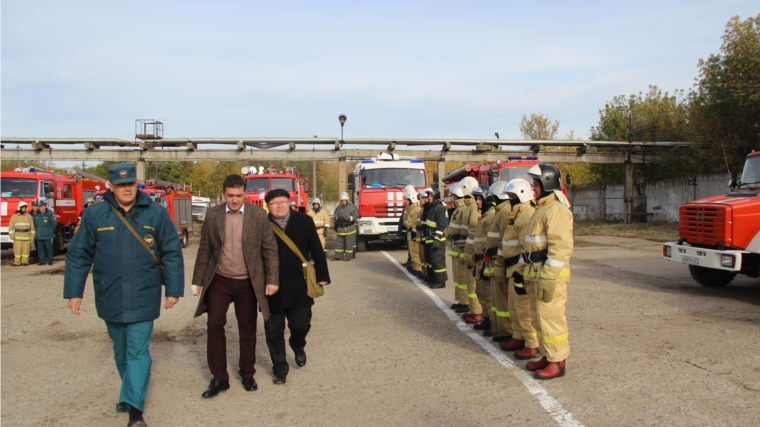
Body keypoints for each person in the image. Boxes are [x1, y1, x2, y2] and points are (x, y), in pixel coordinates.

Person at [64, 163, 184, 427]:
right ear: (111, 186)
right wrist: (75, 292)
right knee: (120, 350)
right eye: (121, 184)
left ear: (136, 184)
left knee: (138, 350)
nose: (126, 188)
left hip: (144, 294)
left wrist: (173, 290)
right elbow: (78, 255)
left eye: (130, 183)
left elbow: (171, 252)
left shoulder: (156, 214)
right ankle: (128, 393)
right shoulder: (96, 215)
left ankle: (135, 410)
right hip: (110, 294)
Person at [191, 174, 279, 397]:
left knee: (247, 328)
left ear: (245, 194)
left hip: (248, 281)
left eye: (239, 195)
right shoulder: (213, 215)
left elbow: (270, 250)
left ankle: (247, 373)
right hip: (219, 280)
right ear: (224, 194)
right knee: (214, 325)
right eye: (230, 195)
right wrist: (197, 280)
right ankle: (219, 378)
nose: (234, 200)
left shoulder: (258, 216)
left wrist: (271, 280)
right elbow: (205, 250)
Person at [264, 189, 331, 384]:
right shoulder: (262, 224)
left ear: (289, 202)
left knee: (301, 324)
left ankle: (297, 345)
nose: (279, 206)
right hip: (271, 286)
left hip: (298, 284)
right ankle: (279, 369)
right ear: (268, 206)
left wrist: (322, 275)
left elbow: (316, 249)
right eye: (274, 203)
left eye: (282, 201)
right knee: (273, 331)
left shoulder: (304, 221)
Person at [521, 164, 573, 380]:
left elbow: (560, 248)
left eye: (536, 184)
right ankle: (547, 355)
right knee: (539, 318)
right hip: (537, 274)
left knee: (551, 318)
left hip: (549, 276)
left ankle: (558, 362)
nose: (534, 188)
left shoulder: (557, 210)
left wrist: (549, 277)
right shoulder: (543, 208)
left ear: (547, 182)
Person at [499, 179, 539, 355]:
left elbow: (526, 247)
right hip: (512, 268)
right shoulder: (516, 214)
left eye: (513, 196)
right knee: (514, 306)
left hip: (520, 269)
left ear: (522, 196)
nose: (510, 199)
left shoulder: (527, 216)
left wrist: (520, 272)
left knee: (524, 308)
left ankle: (531, 344)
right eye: (509, 196)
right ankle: (518, 336)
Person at [483, 181, 513, 342]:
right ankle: (499, 328)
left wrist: (496, 255)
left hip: (499, 261)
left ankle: (506, 331)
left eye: (494, 199)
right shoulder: (500, 212)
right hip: (494, 260)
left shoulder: (504, 212)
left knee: (502, 300)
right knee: (497, 299)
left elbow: (503, 240)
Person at [471, 185, 496, 331]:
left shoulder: (490, 217)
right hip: (480, 260)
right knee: (480, 290)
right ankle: (486, 317)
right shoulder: (484, 216)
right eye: (476, 199)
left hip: (487, 261)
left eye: (479, 199)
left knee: (488, 292)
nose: (477, 202)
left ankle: (492, 320)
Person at [459, 176, 481, 322]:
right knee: (469, 281)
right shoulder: (469, 207)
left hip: (470, 249)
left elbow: (472, 230)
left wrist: (469, 250)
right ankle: (473, 310)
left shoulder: (472, 208)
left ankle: (477, 311)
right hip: (465, 247)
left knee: (473, 283)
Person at [446, 183, 469, 312]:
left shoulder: (463, 210)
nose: (453, 199)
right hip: (456, 249)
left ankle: (465, 302)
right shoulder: (458, 210)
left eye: (454, 196)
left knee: (462, 277)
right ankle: (461, 300)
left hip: (461, 248)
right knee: (457, 277)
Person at [422, 187, 448, 289]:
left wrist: (437, 239)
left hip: (437, 240)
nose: (429, 198)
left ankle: (441, 281)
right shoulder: (431, 207)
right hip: (430, 239)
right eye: (428, 196)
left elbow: (441, 225)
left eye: (431, 195)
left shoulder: (439, 208)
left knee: (438, 261)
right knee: (431, 261)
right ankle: (433, 279)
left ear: (436, 196)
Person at [332, 192, 359, 261]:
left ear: (347, 200)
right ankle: (338, 256)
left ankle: (348, 256)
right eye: (342, 201)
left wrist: (349, 218)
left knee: (349, 244)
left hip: (349, 228)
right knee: (339, 244)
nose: (343, 202)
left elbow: (356, 216)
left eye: (344, 201)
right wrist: (336, 218)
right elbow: (335, 215)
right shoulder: (338, 207)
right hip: (341, 229)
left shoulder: (352, 207)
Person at [9, 201, 35, 266]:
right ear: (19, 208)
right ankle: (17, 262)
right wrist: (11, 235)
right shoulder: (14, 216)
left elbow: (32, 227)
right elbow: (11, 227)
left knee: (26, 251)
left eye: (25, 208)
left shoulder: (29, 216)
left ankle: (25, 262)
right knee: (17, 250)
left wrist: (32, 236)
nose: (24, 209)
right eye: (23, 208)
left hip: (26, 237)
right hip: (17, 237)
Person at [33, 200, 58, 266]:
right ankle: (42, 261)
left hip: (47, 235)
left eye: (41, 207)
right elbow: (34, 224)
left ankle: (50, 260)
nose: (39, 208)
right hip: (39, 235)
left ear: (44, 207)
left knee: (49, 248)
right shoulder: (36, 215)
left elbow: (55, 223)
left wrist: (50, 230)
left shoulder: (50, 214)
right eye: (39, 207)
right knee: (40, 249)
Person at [404, 189, 422, 275]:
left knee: (416, 252)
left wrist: (414, 233)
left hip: (413, 235)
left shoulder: (416, 210)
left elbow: (415, 223)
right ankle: (415, 268)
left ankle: (419, 269)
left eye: (407, 200)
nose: (405, 201)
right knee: (413, 252)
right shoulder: (412, 209)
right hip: (410, 234)